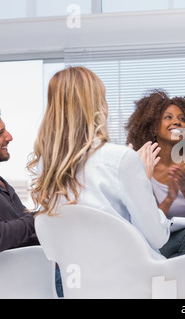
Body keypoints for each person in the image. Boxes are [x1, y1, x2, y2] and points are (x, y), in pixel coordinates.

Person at [27, 66, 171, 262]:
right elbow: (157, 236)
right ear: (97, 106)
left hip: (77, 285)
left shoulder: (45, 165)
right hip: (132, 280)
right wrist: (141, 177)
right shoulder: (122, 159)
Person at [125, 89, 185, 282]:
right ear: (153, 127)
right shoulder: (140, 162)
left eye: (182, 119)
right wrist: (169, 197)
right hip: (156, 249)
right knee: (176, 263)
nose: (176, 122)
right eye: (167, 117)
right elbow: (143, 225)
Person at [0, 113, 39, 252]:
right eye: (0, 133)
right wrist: (37, 219)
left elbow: (24, 228)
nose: (9, 137)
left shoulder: (4, 185)